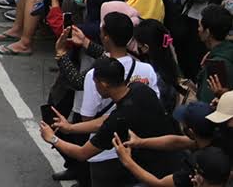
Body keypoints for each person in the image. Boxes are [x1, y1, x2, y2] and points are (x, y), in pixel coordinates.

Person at [40, 57, 183, 185]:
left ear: (103, 84)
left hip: (155, 175)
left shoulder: (118, 121)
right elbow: (105, 119)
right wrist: (70, 128)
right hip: (175, 160)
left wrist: (52, 138)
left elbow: (82, 153)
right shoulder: (140, 90)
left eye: (95, 83)